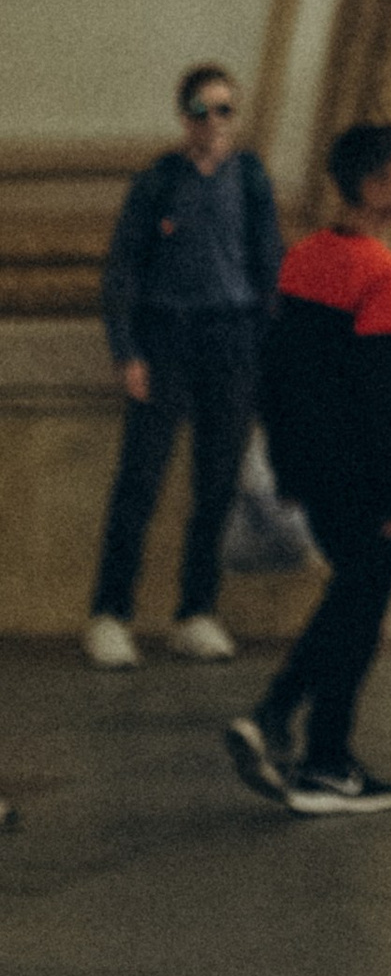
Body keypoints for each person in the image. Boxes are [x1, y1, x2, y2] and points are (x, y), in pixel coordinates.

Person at [221, 122, 391, 818]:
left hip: (308, 459)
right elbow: (382, 396)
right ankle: (316, 749)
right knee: (363, 599)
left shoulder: (301, 259)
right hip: (362, 469)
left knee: (352, 592)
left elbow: (276, 375)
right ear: (371, 186)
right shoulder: (381, 272)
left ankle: (294, 729)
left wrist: (287, 463)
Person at [87, 62, 284, 670]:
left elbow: (270, 266)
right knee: (139, 481)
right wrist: (127, 350)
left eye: (226, 110)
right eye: (203, 110)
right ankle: (110, 613)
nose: (214, 122)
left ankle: (196, 612)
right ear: (184, 116)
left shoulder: (249, 179)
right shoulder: (157, 183)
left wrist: (269, 354)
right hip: (166, 338)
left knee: (216, 485)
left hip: (231, 340)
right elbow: (122, 270)